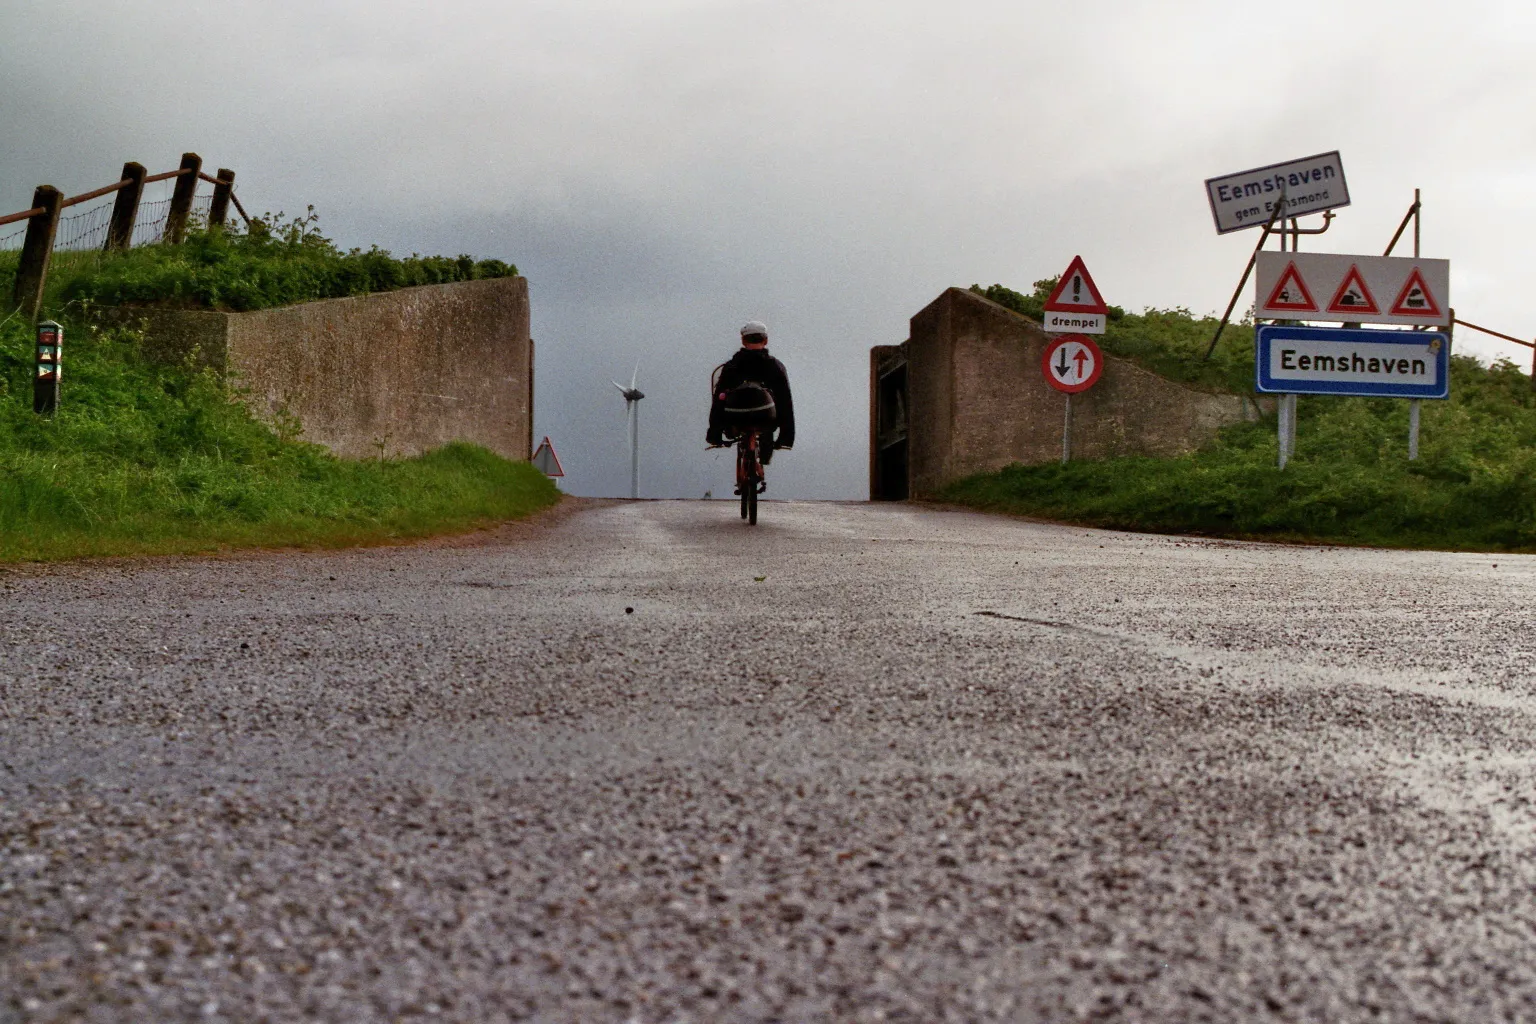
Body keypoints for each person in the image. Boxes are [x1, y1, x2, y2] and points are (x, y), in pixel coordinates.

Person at [707, 321, 795, 463]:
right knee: (780, 400)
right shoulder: (775, 366)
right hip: (765, 416)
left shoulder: (732, 366)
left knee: (721, 397)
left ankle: (715, 436)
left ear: (743, 340)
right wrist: (785, 438)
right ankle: (765, 455)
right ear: (765, 340)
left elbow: (718, 401)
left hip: (735, 417)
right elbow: (785, 402)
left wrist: (714, 435)